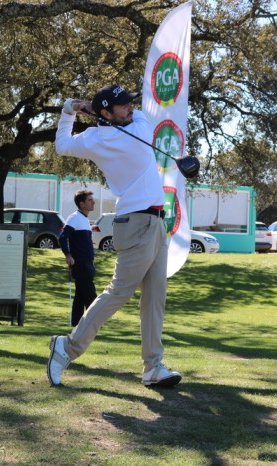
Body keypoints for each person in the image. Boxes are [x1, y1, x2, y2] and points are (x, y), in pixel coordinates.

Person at [47, 84, 182, 388]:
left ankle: (153, 367)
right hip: (137, 223)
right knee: (117, 293)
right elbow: (138, 120)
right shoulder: (139, 129)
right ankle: (65, 348)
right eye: (123, 105)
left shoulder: (95, 138)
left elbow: (62, 144)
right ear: (107, 112)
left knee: (155, 297)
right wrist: (89, 109)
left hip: (155, 221)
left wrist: (70, 109)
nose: (130, 108)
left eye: (129, 103)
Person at [59, 190, 97, 327]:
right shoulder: (74, 218)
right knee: (90, 295)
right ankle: (94, 324)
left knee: (80, 297)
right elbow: (63, 238)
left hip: (87, 263)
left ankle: (76, 324)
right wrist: (68, 255)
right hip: (80, 264)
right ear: (82, 204)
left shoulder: (84, 219)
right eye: (90, 200)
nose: (93, 202)